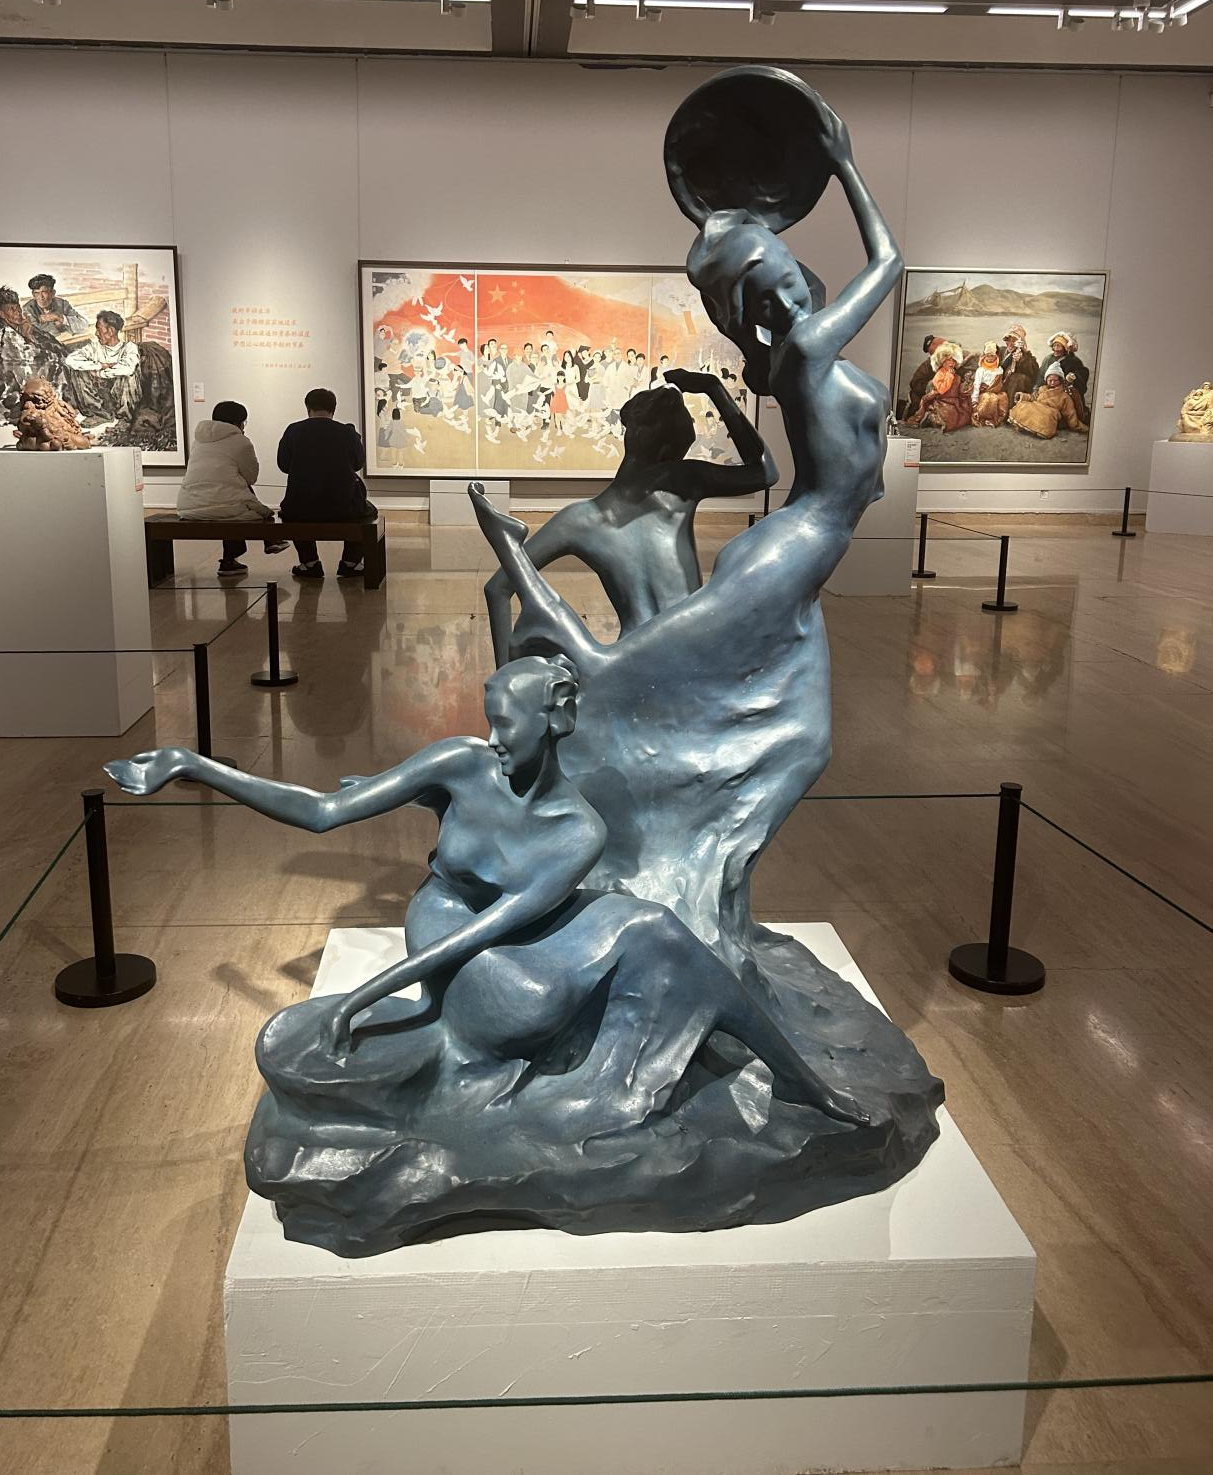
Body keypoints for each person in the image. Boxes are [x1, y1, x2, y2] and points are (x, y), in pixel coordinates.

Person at [104, 655, 867, 1142]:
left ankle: (805, 1082)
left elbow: (504, 923)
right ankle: (553, 1048)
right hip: (446, 920)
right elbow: (323, 811)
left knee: (663, 932)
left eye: (507, 725)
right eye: (490, 721)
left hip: (506, 933)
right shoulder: (461, 762)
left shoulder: (579, 831)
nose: (493, 737)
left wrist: (361, 997)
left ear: (551, 724)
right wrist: (195, 764)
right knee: (533, 1001)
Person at [483, 367, 776, 665]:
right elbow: (765, 472)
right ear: (670, 449)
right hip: (696, 653)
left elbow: (497, 588)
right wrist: (714, 389)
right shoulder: (682, 481)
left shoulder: (578, 519)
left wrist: (505, 675)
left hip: (633, 666)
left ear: (629, 434)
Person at [177, 400, 289, 577]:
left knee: (230, 500)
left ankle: (232, 559)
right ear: (239, 422)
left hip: (188, 505)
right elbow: (251, 477)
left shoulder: (199, 441)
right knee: (237, 505)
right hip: (223, 505)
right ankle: (268, 540)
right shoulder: (241, 442)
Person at [277, 387, 373, 580]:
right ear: (333, 409)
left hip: (300, 506)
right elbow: (358, 463)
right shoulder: (347, 432)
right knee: (368, 512)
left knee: (294, 512)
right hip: (343, 507)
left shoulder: (293, 430)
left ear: (308, 408)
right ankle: (351, 562)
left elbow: (284, 465)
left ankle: (310, 563)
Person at [0, 287, 62, 419]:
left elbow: (46, 343)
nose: (18, 311)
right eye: (12, 309)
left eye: (18, 307)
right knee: (56, 364)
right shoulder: (3, 333)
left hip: (16, 377)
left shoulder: (12, 326)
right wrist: (29, 338)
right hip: (10, 387)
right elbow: (25, 362)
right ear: (2, 313)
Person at [63, 310, 141, 426]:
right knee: (77, 371)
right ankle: (99, 414)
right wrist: (100, 366)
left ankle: (125, 418)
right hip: (101, 397)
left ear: (111, 331)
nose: (96, 333)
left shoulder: (129, 348)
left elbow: (128, 368)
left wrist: (99, 373)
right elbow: (70, 360)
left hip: (120, 396)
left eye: (99, 329)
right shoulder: (95, 347)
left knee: (129, 376)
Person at [906, 342, 973, 432]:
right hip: (942, 402)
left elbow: (959, 391)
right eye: (949, 360)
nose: (951, 363)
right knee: (949, 417)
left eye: (954, 360)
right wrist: (949, 376)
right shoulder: (939, 374)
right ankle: (928, 418)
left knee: (964, 417)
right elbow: (941, 389)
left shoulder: (957, 376)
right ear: (942, 361)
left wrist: (966, 385)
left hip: (955, 403)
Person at [1008, 369, 1088, 439]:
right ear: (1046, 380)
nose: (1052, 383)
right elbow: (1033, 398)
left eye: (1055, 380)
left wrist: (1077, 425)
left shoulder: (1064, 396)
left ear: (1060, 380)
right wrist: (1023, 396)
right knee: (1024, 405)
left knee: (1046, 416)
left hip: (1049, 413)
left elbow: (1070, 414)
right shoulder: (1042, 389)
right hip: (1036, 406)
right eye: (1050, 380)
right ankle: (1024, 425)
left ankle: (1036, 428)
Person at [1038, 332, 1090, 425]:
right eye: (1054, 345)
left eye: (1059, 346)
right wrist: (1037, 388)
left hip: (1065, 392)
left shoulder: (1074, 361)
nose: (1055, 348)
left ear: (1065, 348)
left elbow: (1082, 375)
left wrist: (1073, 378)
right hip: (1049, 390)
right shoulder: (1048, 359)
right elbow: (1040, 376)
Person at [23, 273, 88, 339]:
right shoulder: (28, 308)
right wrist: (58, 326)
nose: (41, 297)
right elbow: (36, 331)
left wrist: (59, 317)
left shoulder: (62, 304)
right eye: (37, 293)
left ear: (53, 293)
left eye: (44, 292)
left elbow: (83, 324)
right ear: (33, 295)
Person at [970, 342, 1009, 428]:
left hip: (995, 391)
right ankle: (985, 419)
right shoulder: (981, 370)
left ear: (996, 356)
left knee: (1003, 397)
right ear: (984, 356)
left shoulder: (999, 369)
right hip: (983, 393)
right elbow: (976, 385)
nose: (989, 358)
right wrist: (974, 400)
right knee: (990, 397)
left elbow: (999, 383)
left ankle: (997, 419)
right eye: (987, 356)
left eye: (992, 356)